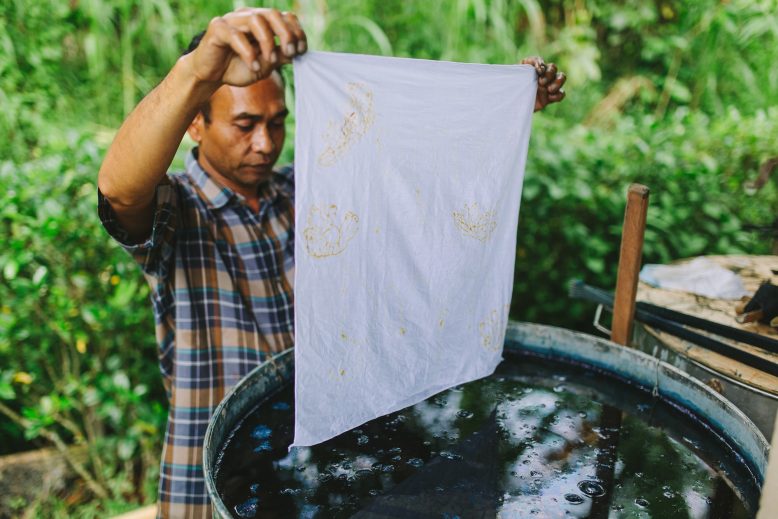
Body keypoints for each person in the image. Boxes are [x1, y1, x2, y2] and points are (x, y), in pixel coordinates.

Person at [97, 7, 566, 518]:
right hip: (214, 477)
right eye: (245, 124)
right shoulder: (179, 210)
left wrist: (502, 108)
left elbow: (418, 177)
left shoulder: (310, 191)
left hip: (312, 470)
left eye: (277, 123)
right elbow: (119, 191)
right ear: (194, 122)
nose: (264, 143)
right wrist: (197, 72)